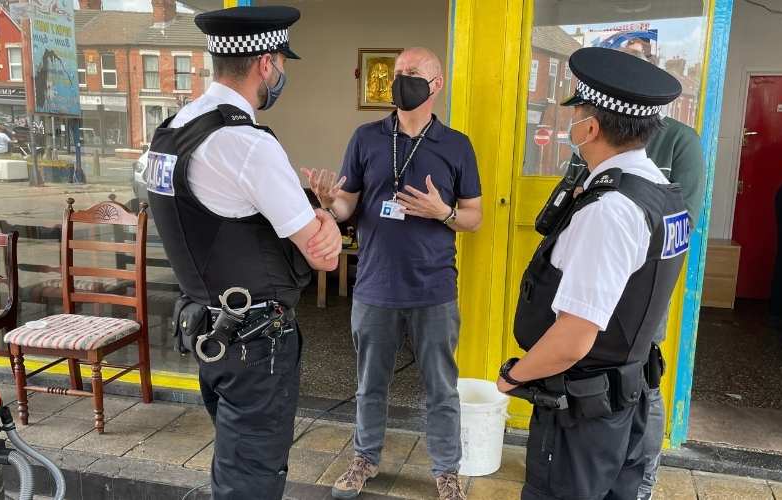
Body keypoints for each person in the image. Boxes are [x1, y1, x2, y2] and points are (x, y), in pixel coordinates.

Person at [145, 6, 342, 500]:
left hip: (208, 327)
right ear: (266, 64)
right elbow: (322, 256)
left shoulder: (171, 132)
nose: (281, 74)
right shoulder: (246, 143)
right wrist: (327, 218)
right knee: (252, 476)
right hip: (256, 339)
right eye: (282, 63)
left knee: (234, 460)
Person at [495, 47, 688, 500]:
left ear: (592, 126)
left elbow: (574, 337)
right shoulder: (662, 193)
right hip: (625, 397)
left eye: (577, 112)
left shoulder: (611, 210)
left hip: (584, 413)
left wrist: (514, 377)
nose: (572, 123)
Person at [303, 47, 482, 500]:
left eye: (413, 74)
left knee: (441, 388)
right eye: (398, 72)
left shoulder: (457, 145)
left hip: (434, 286)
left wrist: (443, 213)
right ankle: (364, 459)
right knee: (370, 384)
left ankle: (446, 471)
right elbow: (348, 204)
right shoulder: (366, 137)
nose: (402, 80)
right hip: (375, 285)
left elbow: (474, 216)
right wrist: (328, 201)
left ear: (436, 84)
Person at [563, 45, 706, 500]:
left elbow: (683, 220)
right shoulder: (593, 142)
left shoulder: (679, 141)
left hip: (636, 294)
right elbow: (574, 194)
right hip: (591, 277)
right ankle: (605, 472)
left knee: (640, 383)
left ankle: (641, 474)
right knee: (593, 384)